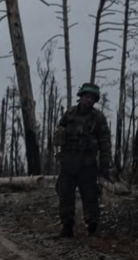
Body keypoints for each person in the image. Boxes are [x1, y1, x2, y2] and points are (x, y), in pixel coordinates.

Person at [53, 82, 113, 238]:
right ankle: (67, 227)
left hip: (87, 164)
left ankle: (92, 226)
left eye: (92, 98)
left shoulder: (98, 117)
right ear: (81, 97)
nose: (89, 100)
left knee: (90, 196)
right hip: (68, 162)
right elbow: (59, 132)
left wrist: (105, 163)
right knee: (65, 195)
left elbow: (105, 141)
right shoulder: (70, 113)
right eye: (87, 97)